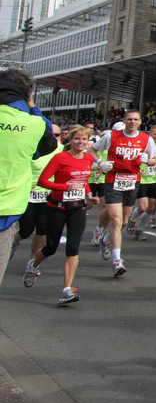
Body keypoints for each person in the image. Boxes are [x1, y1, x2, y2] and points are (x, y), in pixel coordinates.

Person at [24, 125, 98, 304]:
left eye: (84, 139)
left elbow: (83, 181)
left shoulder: (89, 158)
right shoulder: (60, 158)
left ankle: (66, 290)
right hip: (56, 207)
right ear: (70, 140)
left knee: (73, 247)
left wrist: (89, 195)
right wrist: (65, 187)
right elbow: (43, 181)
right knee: (51, 247)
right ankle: (33, 265)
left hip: (77, 208)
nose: (80, 142)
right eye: (77, 139)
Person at [86, 109, 156, 277]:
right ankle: (117, 261)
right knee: (116, 220)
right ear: (124, 121)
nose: (132, 122)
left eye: (135, 120)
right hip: (113, 180)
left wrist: (148, 161)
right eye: (129, 119)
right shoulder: (111, 136)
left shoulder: (146, 139)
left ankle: (105, 240)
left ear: (140, 122)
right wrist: (100, 163)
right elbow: (91, 151)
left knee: (124, 221)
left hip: (133, 181)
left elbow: (154, 160)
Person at [10, 123, 63, 265]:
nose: (54, 138)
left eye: (57, 135)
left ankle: (32, 262)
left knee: (42, 230)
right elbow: (19, 167)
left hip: (49, 195)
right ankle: (14, 241)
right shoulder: (35, 148)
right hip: (30, 194)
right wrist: (25, 185)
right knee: (26, 230)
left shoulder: (63, 151)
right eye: (51, 134)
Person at [130, 124, 156, 240]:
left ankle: (139, 229)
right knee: (143, 207)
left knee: (151, 208)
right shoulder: (142, 144)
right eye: (154, 134)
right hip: (142, 180)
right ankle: (132, 219)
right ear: (149, 134)